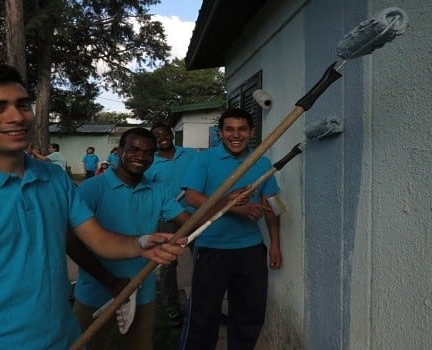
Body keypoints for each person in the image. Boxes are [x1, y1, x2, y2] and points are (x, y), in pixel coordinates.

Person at [0, 63, 185, 350]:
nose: (16, 116)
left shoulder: (53, 177)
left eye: (23, 105)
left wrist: (142, 243)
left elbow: (100, 241)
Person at [70, 127, 186, 350]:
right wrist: (110, 282)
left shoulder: (157, 191)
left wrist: (225, 204)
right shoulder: (92, 189)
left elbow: (190, 221)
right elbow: (73, 243)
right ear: (119, 151)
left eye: (148, 152)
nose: (141, 157)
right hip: (95, 292)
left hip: (142, 291)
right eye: (133, 150)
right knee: (85, 344)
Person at [178, 108, 282, 350]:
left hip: (251, 250)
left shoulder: (261, 162)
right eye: (229, 130)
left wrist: (275, 244)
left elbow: (272, 206)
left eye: (242, 129)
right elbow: (192, 197)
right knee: (203, 317)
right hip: (212, 249)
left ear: (251, 132)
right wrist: (233, 207)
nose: (236, 135)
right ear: (220, 133)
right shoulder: (204, 159)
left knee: (249, 315)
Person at [144, 123, 197, 327]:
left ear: (172, 135)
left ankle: (204, 306)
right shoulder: (151, 163)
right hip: (167, 220)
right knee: (167, 265)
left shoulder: (191, 155)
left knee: (203, 262)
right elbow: (147, 192)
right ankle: (172, 309)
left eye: (165, 133)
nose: (162, 137)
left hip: (194, 217)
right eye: (157, 135)